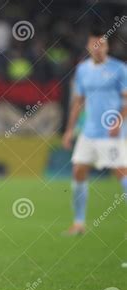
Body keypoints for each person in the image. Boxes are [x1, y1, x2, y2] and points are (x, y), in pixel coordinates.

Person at [62, 26, 127, 235]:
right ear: (89, 47)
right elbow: (78, 102)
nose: (98, 49)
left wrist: (118, 121)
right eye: (94, 45)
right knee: (78, 171)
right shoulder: (82, 70)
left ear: (107, 47)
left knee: (121, 174)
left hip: (112, 133)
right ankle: (79, 223)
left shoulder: (119, 69)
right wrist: (69, 130)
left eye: (102, 45)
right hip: (88, 132)